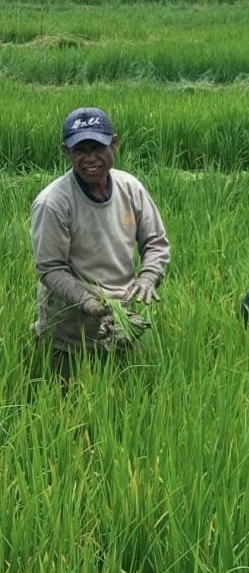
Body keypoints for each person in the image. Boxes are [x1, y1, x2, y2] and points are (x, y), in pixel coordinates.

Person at [30, 107, 171, 386]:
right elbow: (50, 268)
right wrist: (88, 302)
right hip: (67, 326)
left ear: (114, 143)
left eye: (98, 147)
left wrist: (149, 275)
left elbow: (155, 241)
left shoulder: (130, 187)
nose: (90, 158)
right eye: (80, 150)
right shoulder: (53, 203)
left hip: (119, 319)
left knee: (128, 395)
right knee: (67, 405)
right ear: (66, 152)